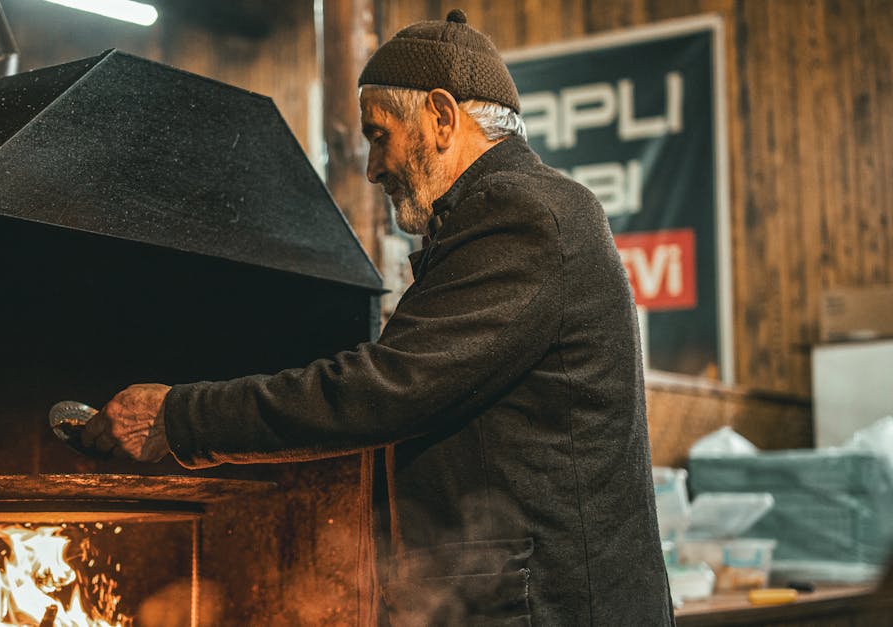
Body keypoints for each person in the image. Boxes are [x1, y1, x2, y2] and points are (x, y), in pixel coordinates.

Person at [79, 9, 674, 625]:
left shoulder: (526, 216)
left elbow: (388, 389)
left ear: (442, 117)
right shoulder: (502, 218)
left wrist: (179, 417)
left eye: (380, 134)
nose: (371, 168)